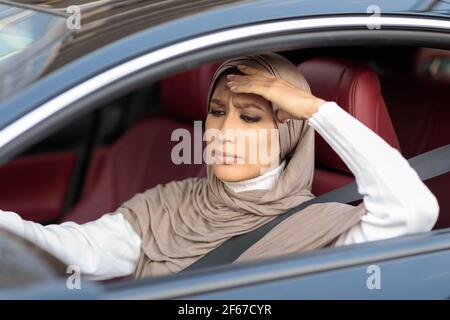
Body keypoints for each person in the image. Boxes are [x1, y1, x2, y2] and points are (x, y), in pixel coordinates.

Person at [0, 53, 439, 281]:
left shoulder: (327, 229)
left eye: (250, 117)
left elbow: (414, 209)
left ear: (288, 131)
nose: (222, 133)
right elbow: (73, 250)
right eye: (216, 111)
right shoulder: (173, 203)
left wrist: (314, 109)